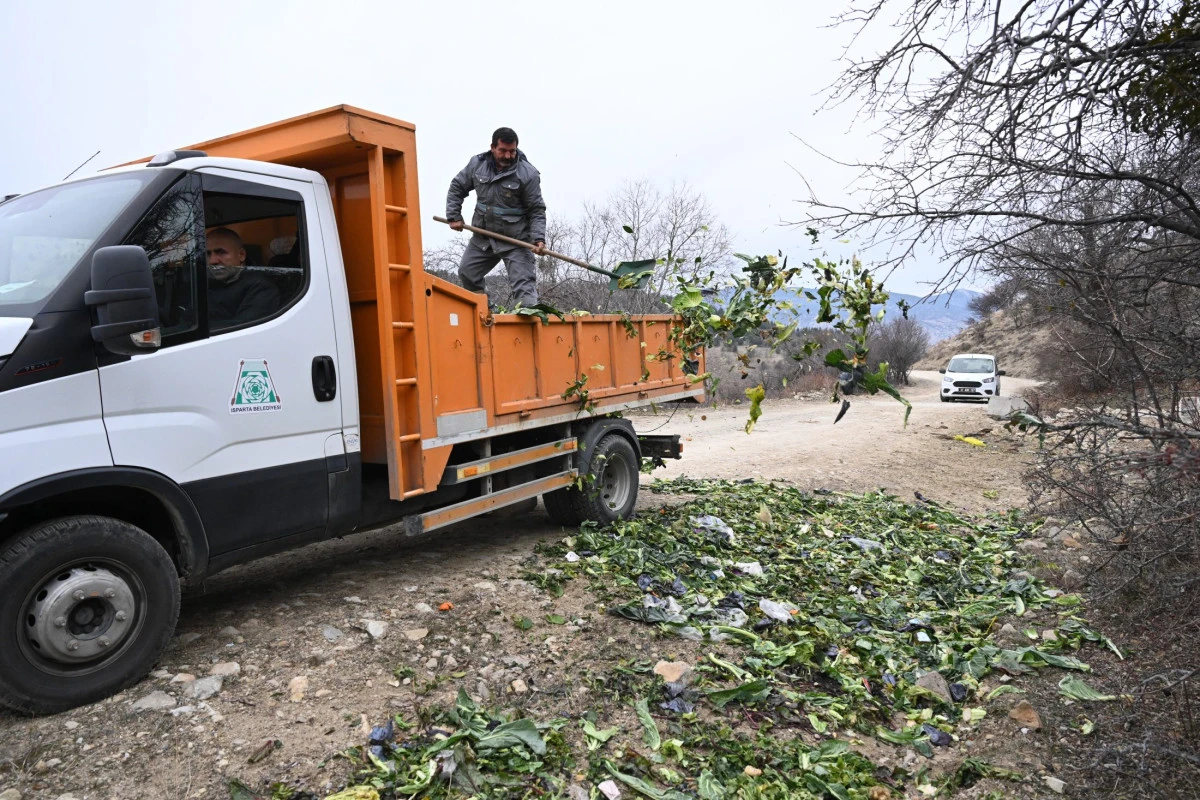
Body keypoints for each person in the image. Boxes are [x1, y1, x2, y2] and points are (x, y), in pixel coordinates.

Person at [446, 127, 547, 307]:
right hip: (483, 237)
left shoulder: (528, 174)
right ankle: (488, 312)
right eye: (503, 151)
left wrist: (538, 238)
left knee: (526, 297)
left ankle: (527, 327)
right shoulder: (477, 165)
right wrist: (454, 215)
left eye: (512, 151)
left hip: (516, 241)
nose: (508, 156)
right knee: (467, 273)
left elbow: (536, 210)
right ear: (493, 147)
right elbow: (457, 186)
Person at [205, 227, 281, 329]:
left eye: (221, 252)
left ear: (241, 255)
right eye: (208, 254)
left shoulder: (261, 287)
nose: (212, 261)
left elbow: (243, 330)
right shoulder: (203, 284)